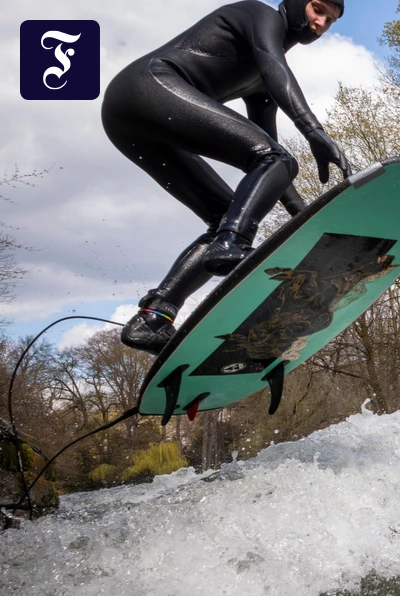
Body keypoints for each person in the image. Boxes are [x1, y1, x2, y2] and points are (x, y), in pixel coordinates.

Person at [103, 0, 350, 353]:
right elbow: (273, 63)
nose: (320, 23)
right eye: (318, 9)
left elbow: (273, 166)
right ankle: (233, 245)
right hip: (146, 87)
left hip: (129, 121)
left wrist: (307, 217)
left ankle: (153, 317)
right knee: (265, 176)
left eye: (330, 20)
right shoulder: (259, 16)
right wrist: (314, 131)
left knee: (227, 214)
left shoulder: (262, 81)